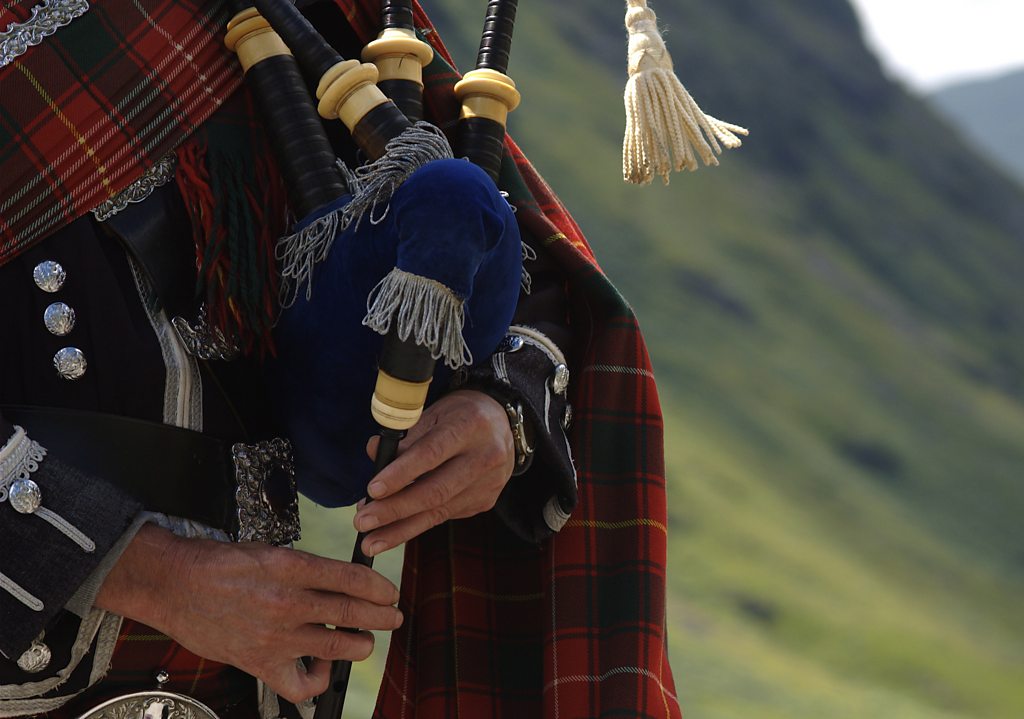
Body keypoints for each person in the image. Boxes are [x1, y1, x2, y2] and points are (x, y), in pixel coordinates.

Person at [0, 0, 679, 716]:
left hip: (242, 684)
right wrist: (146, 573)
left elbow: (490, 239)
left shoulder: (294, 14)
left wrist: (495, 407)